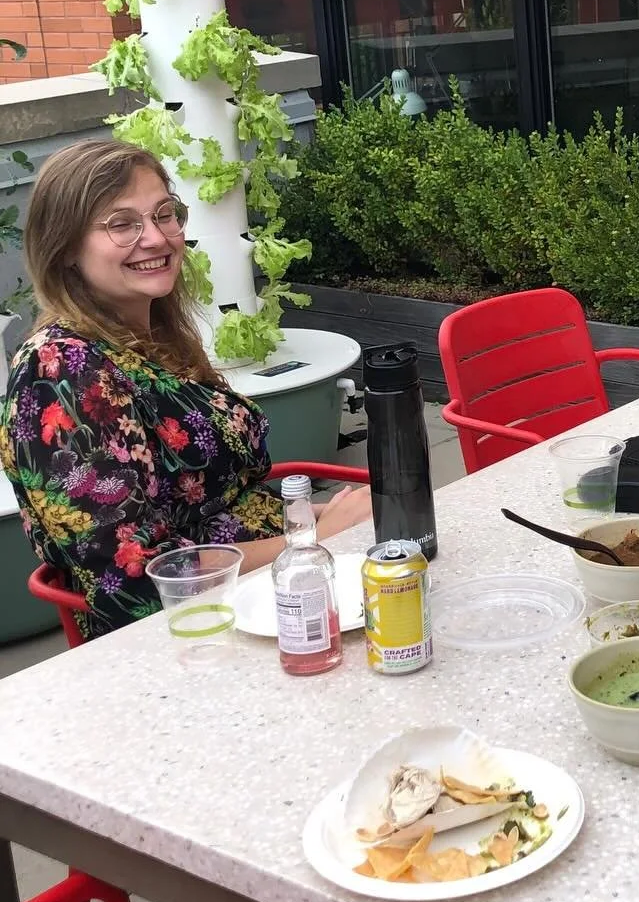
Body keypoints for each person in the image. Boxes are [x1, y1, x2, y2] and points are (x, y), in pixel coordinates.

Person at [0, 140, 370, 639]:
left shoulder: (153, 337)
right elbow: (134, 580)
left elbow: (213, 502)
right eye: (122, 223)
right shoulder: (61, 372)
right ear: (65, 248)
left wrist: (320, 519)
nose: (156, 238)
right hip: (193, 636)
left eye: (165, 214)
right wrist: (315, 540)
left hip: (271, 592)